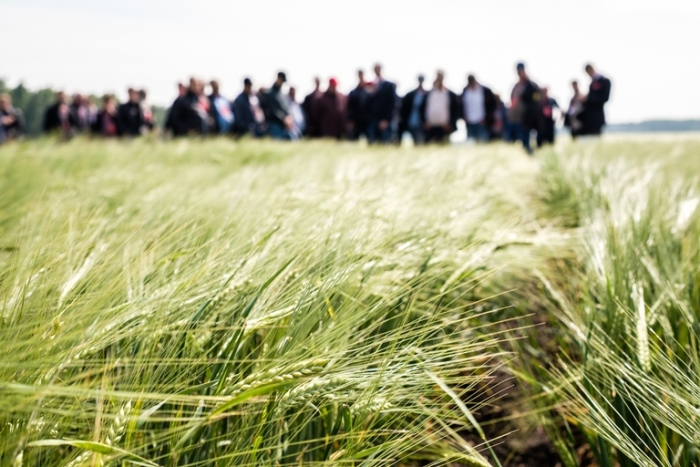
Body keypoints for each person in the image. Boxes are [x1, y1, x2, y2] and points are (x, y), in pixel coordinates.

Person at [509, 62, 541, 155]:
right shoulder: (516, 86)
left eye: (521, 71)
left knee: (529, 140)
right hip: (517, 118)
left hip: (528, 118)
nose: (520, 73)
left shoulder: (531, 85)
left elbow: (536, 101)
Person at [420, 71, 460, 144]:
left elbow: (455, 110)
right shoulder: (428, 94)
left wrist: (451, 123)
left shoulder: (450, 94)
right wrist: (424, 122)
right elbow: (422, 109)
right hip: (430, 127)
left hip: (444, 127)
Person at [579, 64, 612, 135]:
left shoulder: (604, 80)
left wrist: (588, 99)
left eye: (588, 73)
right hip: (589, 117)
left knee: (596, 135)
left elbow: (605, 98)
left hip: (597, 116)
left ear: (591, 69)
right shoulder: (591, 83)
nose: (588, 75)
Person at [368, 63, 397, 144]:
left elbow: (392, 103)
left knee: (386, 143)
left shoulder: (389, 85)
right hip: (374, 119)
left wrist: (386, 119)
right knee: (373, 143)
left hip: (385, 120)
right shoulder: (372, 85)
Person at [462, 74, 496, 142]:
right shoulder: (465, 90)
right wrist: (464, 117)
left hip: (482, 122)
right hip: (470, 123)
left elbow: (493, 105)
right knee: (471, 144)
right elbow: (461, 105)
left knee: (483, 143)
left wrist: (487, 118)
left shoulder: (485, 90)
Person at [263, 72, 295, 140]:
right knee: (280, 140)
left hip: (285, 125)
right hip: (274, 124)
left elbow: (286, 108)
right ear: (278, 79)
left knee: (294, 137)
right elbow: (273, 111)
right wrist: (284, 119)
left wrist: (289, 117)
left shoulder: (282, 94)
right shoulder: (269, 94)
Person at [399, 75, 427, 145]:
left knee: (420, 141)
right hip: (410, 121)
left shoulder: (427, 94)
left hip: (422, 123)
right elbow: (403, 109)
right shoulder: (410, 95)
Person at [347, 69, 371, 140]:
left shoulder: (369, 92)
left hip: (367, 120)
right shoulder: (353, 92)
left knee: (370, 140)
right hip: (356, 121)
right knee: (354, 140)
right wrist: (350, 120)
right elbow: (349, 107)